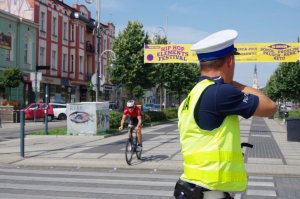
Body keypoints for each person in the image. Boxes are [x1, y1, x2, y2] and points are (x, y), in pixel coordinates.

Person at [174, 30, 277, 199]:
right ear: (230, 60)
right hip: (210, 192)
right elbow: (270, 107)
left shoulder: (192, 94)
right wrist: (234, 85)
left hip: (191, 186)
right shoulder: (220, 93)